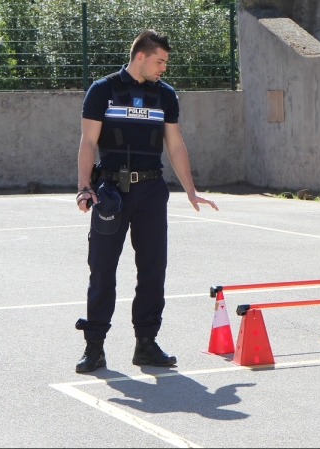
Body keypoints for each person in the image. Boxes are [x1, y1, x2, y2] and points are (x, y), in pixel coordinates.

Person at [73, 30, 218, 373]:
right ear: (140, 56)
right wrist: (83, 187)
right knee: (103, 270)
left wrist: (191, 190)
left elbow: (176, 145)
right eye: (160, 61)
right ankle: (95, 347)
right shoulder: (103, 90)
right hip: (110, 191)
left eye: (165, 62)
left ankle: (146, 344)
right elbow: (87, 142)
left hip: (152, 192)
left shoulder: (165, 96)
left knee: (153, 269)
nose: (163, 68)